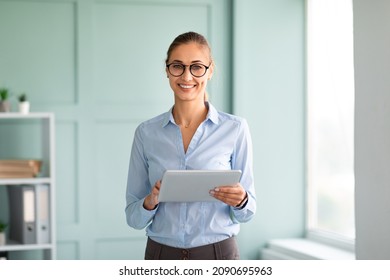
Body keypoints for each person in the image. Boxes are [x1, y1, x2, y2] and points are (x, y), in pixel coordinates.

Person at [125, 31, 256, 260]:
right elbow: (133, 218)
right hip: (160, 255)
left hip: (218, 254)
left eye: (196, 67)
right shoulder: (146, 133)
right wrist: (150, 201)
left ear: (210, 70)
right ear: (167, 70)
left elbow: (248, 212)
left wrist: (241, 200)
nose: (186, 77)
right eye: (178, 66)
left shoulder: (235, 129)